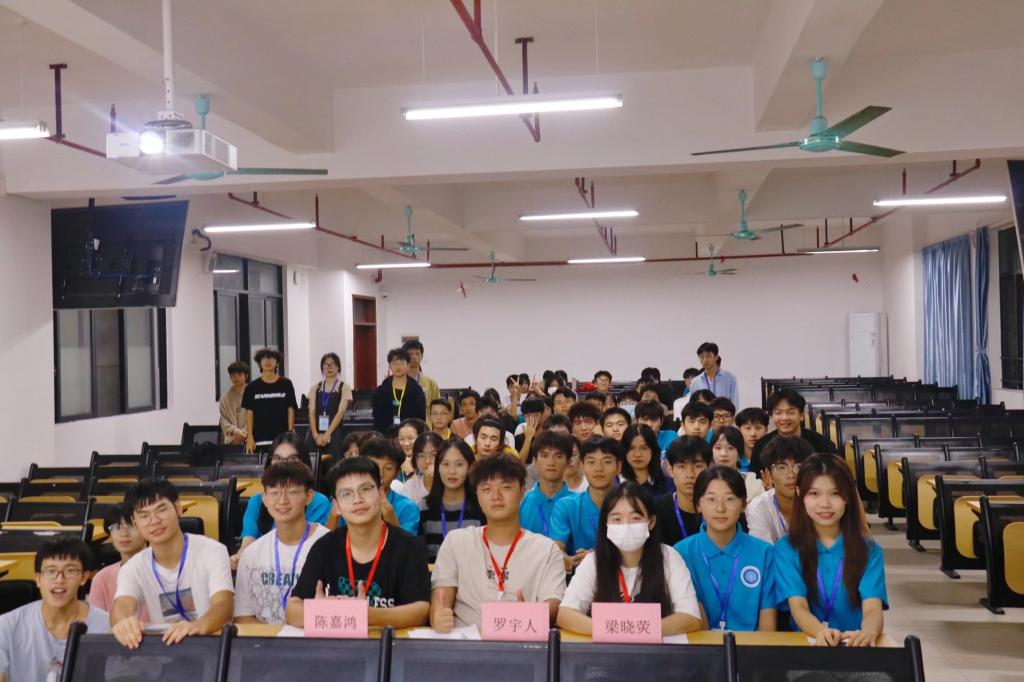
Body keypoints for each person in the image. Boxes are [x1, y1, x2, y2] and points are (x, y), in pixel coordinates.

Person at [287, 458, 430, 628]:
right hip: (340, 642)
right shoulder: (325, 546)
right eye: (346, 494)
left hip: (390, 641)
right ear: (336, 506)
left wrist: (365, 614)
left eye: (365, 489)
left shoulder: (409, 547)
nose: (357, 499)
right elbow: (292, 610)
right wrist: (325, 612)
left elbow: (421, 612)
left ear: (381, 494)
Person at [430, 455, 566, 631]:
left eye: (506, 487)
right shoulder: (456, 542)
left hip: (521, 638)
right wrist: (438, 615)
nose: (496, 496)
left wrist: (533, 614)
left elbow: (553, 602)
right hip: (467, 641)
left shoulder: (546, 550)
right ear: (477, 496)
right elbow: (441, 597)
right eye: (486, 489)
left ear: (522, 492)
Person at [557, 483, 702, 636]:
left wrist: (639, 631)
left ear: (651, 522)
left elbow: (691, 617)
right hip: (608, 648)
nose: (626, 526)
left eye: (635, 518)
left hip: (655, 649)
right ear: (606, 524)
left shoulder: (669, 557)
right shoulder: (594, 561)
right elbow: (565, 614)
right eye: (617, 519)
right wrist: (613, 631)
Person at [774, 454, 888, 646]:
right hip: (807, 644)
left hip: (853, 645)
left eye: (835, 493)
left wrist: (869, 632)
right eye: (814, 494)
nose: (825, 504)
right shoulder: (786, 548)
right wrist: (821, 632)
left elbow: (872, 609)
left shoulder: (869, 550)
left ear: (848, 496)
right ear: (800, 492)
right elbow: (798, 606)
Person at [111, 478, 234, 648]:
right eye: (144, 516)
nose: (154, 521)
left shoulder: (212, 551)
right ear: (135, 523)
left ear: (178, 508)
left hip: (212, 645)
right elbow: (122, 606)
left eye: (161, 510)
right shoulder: (133, 567)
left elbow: (224, 605)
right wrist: (124, 623)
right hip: (166, 651)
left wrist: (195, 627)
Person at [674, 466, 776, 632]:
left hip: (752, 646)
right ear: (698, 504)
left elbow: (768, 628)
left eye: (730, 499)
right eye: (711, 499)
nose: (720, 508)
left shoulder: (764, 553)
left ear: (743, 504)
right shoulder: (681, 553)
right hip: (700, 645)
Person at [0, 538, 109, 682]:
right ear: (38, 579)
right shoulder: (7, 626)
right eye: (51, 571)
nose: (59, 580)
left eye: (70, 571)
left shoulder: (107, 626)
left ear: (83, 577)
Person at [234, 462, 330, 624]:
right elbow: (243, 616)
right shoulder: (252, 553)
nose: (283, 501)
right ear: (264, 499)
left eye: (292, 493)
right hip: (264, 638)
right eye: (274, 493)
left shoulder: (330, 546)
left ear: (309, 496)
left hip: (314, 637)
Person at [234, 433, 332, 568]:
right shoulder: (257, 501)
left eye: (292, 459)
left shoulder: (318, 502)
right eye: (278, 459)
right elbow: (248, 541)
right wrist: (241, 556)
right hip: (264, 568)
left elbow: (309, 548)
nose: (284, 465)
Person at [551, 436, 623, 569]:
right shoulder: (566, 506)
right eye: (591, 462)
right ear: (582, 466)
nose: (598, 468)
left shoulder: (632, 506)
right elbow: (556, 549)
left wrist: (595, 559)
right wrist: (567, 559)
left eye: (607, 462)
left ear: (618, 467)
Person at [419, 439, 485, 562]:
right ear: (437, 468)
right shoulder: (424, 507)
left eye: (459, 464)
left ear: (470, 467)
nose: (452, 471)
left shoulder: (481, 507)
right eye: (445, 464)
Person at [750, 389, 838, 476]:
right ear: (772, 416)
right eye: (778, 413)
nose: (784, 418)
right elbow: (756, 479)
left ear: (802, 415)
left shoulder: (822, 445)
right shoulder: (761, 446)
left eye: (791, 412)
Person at [746, 436, 815, 544]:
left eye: (798, 467)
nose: (791, 475)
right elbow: (763, 552)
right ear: (769, 475)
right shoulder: (759, 507)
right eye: (782, 467)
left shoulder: (818, 503)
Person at [88, 504, 149, 621]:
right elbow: (96, 625)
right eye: (117, 527)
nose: (124, 533)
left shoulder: (165, 570)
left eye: (131, 525)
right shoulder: (102, 578)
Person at [653, 437, 711, 546]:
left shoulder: (720, 508)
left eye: (698, 466)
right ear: (670, 470)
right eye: (682, 466)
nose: (690, 474)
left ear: (709, 469)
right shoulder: (656, 510)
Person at [519, 430, 576, 539]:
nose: (551, 462)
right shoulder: (522, 503)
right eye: (544, 456)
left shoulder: (578, 505)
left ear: (568, 461)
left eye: (558, 456)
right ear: (535, 461)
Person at [358, 437, 421, 535]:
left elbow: (406, 544)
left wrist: (390, 516)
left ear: (397, 473)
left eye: (388, 468)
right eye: (374, 466)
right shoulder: (347, 502)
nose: (380, 474)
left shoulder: (408, 508)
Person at [242, 348, 298, 453]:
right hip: (259, 441)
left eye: (271, 358)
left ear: (277, 363)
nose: (268, 361)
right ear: (259, 364)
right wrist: (249, 437)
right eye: (264, 358)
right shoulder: (251, 387)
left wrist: (290, 433)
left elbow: (290, 409)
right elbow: (249, 414)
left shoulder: (286, 384)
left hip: (282, 440)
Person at [307, 352, 353, 458]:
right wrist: (315, 435)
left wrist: (327, 434)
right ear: (322, 368)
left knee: (333, 463)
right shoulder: (315, 387)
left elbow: (340, 412)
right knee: (312, 463)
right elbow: (311, 412)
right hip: (316, 433)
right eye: (326, 364)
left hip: (335, 432)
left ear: (338, 367)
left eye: (332, 364)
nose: (329, 367)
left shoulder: (344, 387)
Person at [372, 348, 427, 432]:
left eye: (401, 363)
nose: (397, 367)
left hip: (410, 434)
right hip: (386, 434)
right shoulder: (381, 391)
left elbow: (420, 418)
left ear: (408, 365)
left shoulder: (416, 390)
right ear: (389, 366)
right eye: (394, 363)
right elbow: (377, 417)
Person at [711, 426, 764, 501]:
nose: (723, 454)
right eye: (718, 448)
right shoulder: (704, 481)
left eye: (730, 448)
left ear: (739, 452)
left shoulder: (753, 483)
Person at [620, 424, 674, 496]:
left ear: (653, 450)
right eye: (631, 448)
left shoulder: (669, 485)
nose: (638, 454)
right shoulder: (614, 485)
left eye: (644, 448)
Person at [401, 431, 444, 508]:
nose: (427, 461)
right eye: (421, 455)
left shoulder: (451, 484)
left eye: (433, 455)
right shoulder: (410, 487)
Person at [689, 342, 739, 406]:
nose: (705, 360)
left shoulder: (730, 378)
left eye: (708, 356)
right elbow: (692, 405)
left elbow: (735, 402)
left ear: (716, 357)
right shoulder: (696, 382)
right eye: (701, 357)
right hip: (704, 412)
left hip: (723, 412)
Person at [219, 360, 250, 445]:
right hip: (233, 441)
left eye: (240, 375)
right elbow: (224, 420)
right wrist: (237, 432)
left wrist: (245, 432)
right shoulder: (224, 398)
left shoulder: (253, 394)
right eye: (233, 375)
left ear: (246, 376)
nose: (236, 378)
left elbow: (256, 416)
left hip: (250, 439)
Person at [403, 339, 441, 403]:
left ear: (422, 356)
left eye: (417, 354)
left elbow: (438, 406)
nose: (414, 357)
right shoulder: (395, 382)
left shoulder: (431, 383)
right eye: (410, 354)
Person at [395, 418, 428, 484]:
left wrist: (410, 472)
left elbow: (423, 489)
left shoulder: (429, 463)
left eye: (410, 438)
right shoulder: (394, 463)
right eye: (402, 439)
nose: (406, 444)